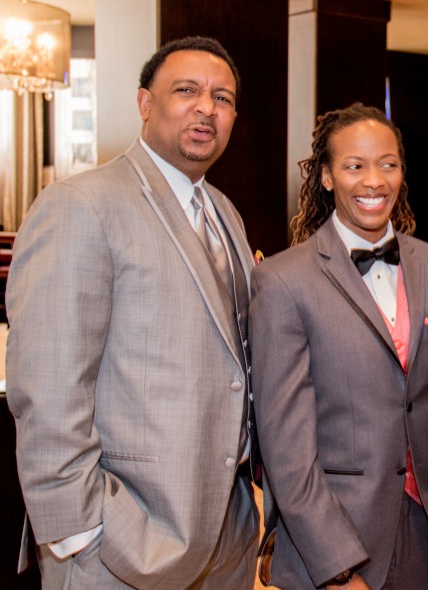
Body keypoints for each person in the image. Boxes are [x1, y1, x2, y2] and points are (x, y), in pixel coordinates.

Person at [5, 36, 258, 588]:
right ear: (145, 103)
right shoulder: (81, 205)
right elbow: (47, 385)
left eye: (222, 98)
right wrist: (80, 530)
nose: (206, 108)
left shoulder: (224, 213)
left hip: (227, 532)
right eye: (186, 91)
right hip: (121, 542)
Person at [250, 103, 428, 589]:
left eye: (387, 164)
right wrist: (337, 569)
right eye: (354, 166)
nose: (374, 181)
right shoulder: (283, 281)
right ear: (326, 176)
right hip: (336, 543)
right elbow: (286, 448)